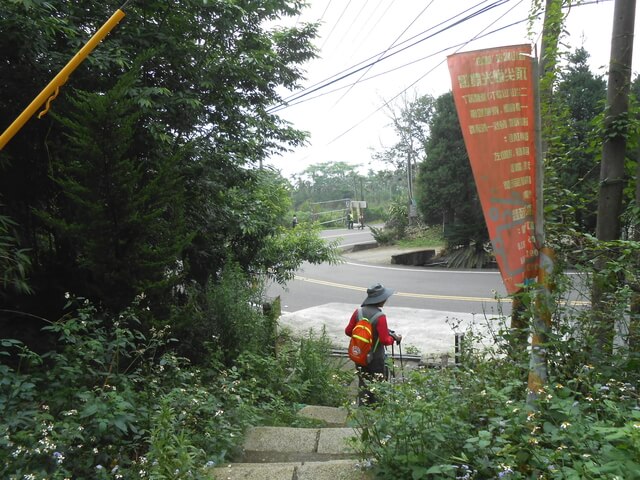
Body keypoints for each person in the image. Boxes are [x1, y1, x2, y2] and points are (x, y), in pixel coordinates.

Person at [345, 283, 402, 405]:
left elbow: (348, 331)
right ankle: (376, 408)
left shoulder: (358, 312)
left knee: (363, 382)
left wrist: (363, 339)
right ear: (380, 300)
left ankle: (363, 407)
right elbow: (385, 340)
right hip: (376, 358)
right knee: (378, 384)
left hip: (360, 355)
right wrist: (395, 338)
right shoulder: (380, 316)